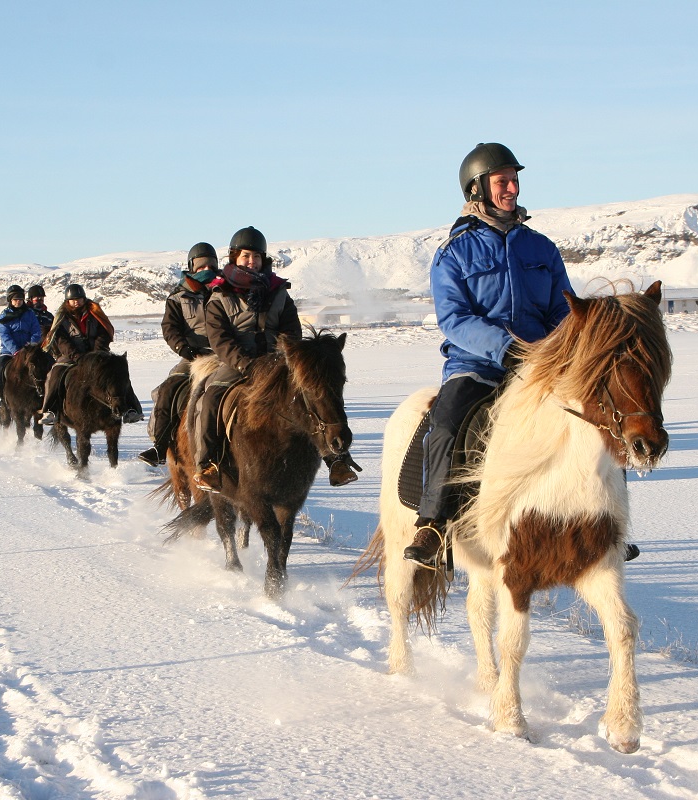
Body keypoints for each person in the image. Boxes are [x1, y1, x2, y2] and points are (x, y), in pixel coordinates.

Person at [403, 142, 576, 568]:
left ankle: (605, 522)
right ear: (477, 188)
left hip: (541, 361)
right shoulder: (454, 253)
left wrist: (556, 345)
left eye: (515, 180)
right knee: (445, 423)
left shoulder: (542, 248)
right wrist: (505, 348)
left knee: (596, 412)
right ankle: (433, 524)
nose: (512, 188)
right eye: (502, 181)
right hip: (476, 363)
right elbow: (454, 319)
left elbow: (562, 307)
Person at [192, 227, 361, 492]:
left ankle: (337, 460)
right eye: (246, 256)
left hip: (277, 364)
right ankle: (209, 465)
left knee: (315, 395)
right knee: (211, 397)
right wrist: (245, 363)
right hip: (238, 365)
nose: (252, 261)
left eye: (256, 257)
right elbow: (220, 339)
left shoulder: (279, 292)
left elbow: (291, 331)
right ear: (234, 257)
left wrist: (286, 357)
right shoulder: (219, 295)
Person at [138, 242, 220, 467]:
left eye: (211, 265)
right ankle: (160, 445)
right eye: (201, 265)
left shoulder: (226, 289)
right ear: (191, 267)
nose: (207, 269)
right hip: (193, 357)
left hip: (225, 354)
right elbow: (170, 328)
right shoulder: (178, 296)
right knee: (169, 389)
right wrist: (185, 349)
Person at [38, 283, 144, 426]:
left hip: (97, 354)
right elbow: (62, 340)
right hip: (72, 356)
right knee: (55, 373)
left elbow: (103, 333)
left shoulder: (95, 313)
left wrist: (97, 352)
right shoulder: (62, 318)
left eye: (79, 298)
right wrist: (77, 356)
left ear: (84, 299)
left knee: (118, 370)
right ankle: (51, 410)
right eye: (73, 299)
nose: (76, 302)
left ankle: (132, 408)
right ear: (67, 301)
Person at [0, 284, 42, 407]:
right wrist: (15, 350)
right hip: (9, 351)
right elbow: (5, 335)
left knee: (44, 365)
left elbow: (36, 331)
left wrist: (30, 346)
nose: (18, 302)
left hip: (29, 350)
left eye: (20, 299)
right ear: (10, 300)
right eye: (15, 300)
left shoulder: (29, 314)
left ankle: (43, 393)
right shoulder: (4, 315)